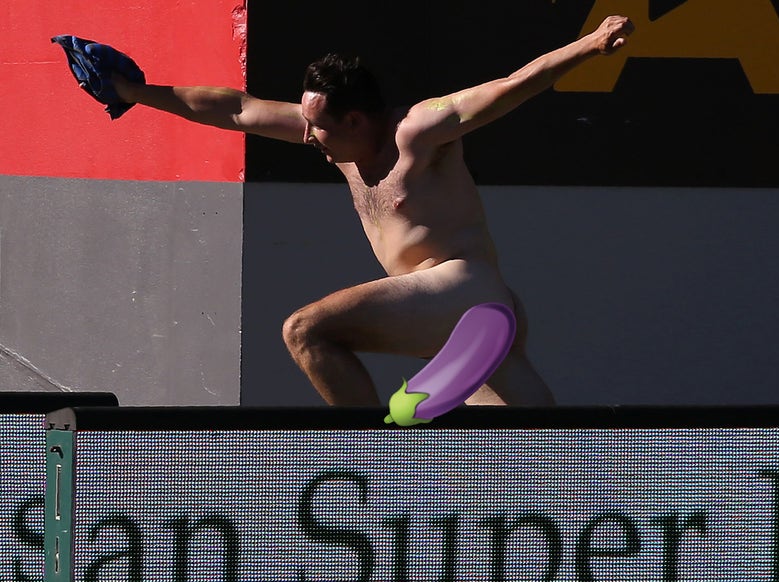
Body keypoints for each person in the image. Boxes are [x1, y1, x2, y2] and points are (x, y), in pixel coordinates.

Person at [110, 16, 635, 406]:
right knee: (542, 461)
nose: (308, 135)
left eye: (319, 126)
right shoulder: (336, 139)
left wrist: (590, 44)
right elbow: (236, 108)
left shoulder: (419, 131)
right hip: (449, 327)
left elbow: (511, 87)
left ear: (357, 119)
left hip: (466, 293)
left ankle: (365, 462)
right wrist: (134, 92)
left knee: (305, 330)